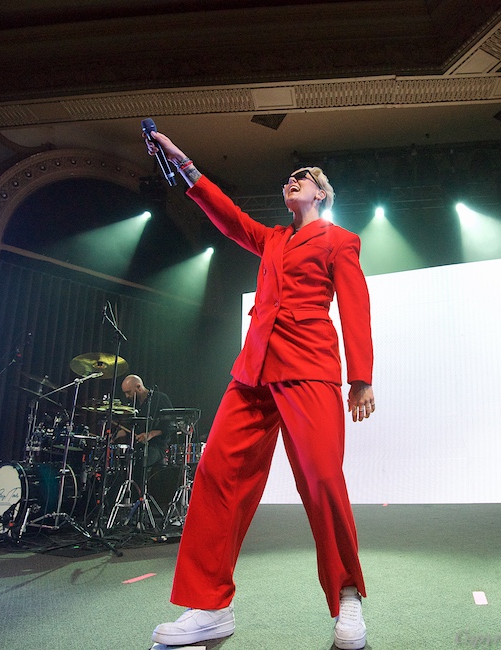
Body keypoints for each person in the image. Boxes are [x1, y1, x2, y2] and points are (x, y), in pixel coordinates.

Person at [143, 129, 375, 650]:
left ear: (320, 194)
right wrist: (186, 165)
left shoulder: (341, 241)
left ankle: (346, 596)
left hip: (309, 365)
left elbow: (356, 305)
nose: (291, 181)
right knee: (216, 471)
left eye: (303, 178)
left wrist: (361, 378)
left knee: (320, 476)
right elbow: (227, 216)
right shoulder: (271, 238)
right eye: (289, 178)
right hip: (254, 370)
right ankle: (210, 607)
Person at [116, 374, 174, 469]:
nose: (126, 396)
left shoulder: (160, 399)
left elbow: (170, 426)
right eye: (125, 393)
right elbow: (129, 428)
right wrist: (115, 435)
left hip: (157, 447)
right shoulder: (133, 404)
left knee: (140, 460)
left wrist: (150, 434)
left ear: (138, 387)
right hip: (137, 447)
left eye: (129, 392)